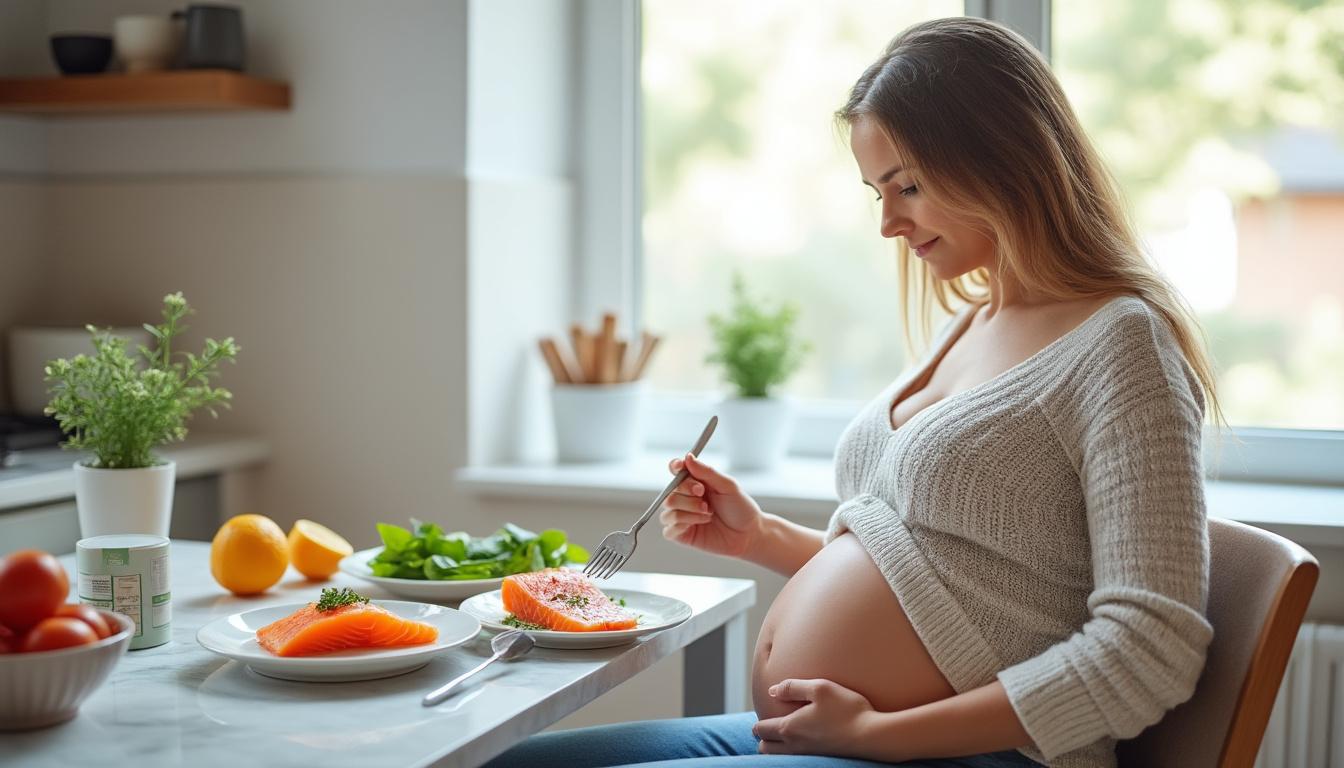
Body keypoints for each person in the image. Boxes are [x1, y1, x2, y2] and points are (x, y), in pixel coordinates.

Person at [487, 15, 1220, 768]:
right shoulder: (973, 321)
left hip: (968, 756)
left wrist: (875, 735)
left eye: (908, 186)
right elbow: (932, 572)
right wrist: (757, 536)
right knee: (505, 762)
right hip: (833, 742)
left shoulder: (1122, 343)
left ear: (1003, 157)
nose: (889, 223)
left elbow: (1150, 651)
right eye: (877, 191)